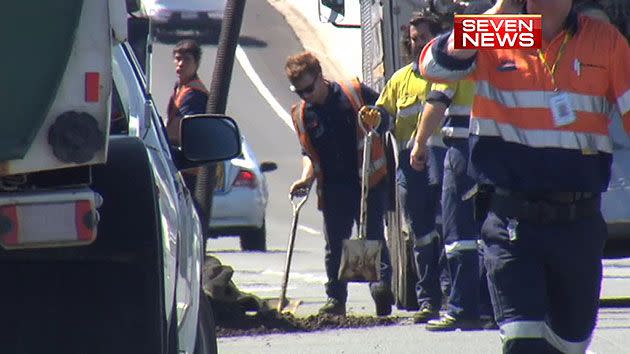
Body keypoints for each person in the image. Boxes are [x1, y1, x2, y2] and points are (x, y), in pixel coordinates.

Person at [415, 0, 630, 352]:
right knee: (522, 343)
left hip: (578, 226)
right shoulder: (499, 31)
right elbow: (433, 64)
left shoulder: (605, 41)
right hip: (512, 224)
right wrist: (498, 12)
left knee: (569, 344)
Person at [285, 51, 394, 317]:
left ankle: (380, 292)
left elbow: (387, 115)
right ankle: (336, 300)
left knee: (371, 238)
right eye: (299, 92)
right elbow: (309, 154)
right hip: (334, 189)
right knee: (335, 245)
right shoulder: (301, 114)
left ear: (320, 77)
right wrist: (305, 179)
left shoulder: (353, 93)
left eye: (309, 89)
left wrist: (376, 119)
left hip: (366, 182)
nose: (306, 96)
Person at [375, 13, 450, 324]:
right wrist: (374, 117)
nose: (417, 43)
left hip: (444, 162)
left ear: (438, 40)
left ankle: (451, 295)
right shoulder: (399, 79)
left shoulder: (449, 74)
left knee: (447, 232)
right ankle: (428, 301)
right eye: (414, 38)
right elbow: (383, 112)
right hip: (410, 167)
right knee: (420, 236)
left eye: (423, 37)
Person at [165, 39, 209, 190]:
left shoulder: (195, 94)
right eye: (178, 59)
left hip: (189, 170)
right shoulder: (180, 86)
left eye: (187, 59)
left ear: (196, 64)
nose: (181, 64)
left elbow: (182, 129)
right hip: (177, 164)